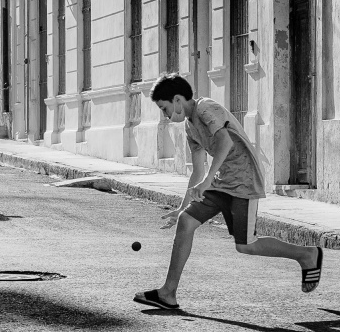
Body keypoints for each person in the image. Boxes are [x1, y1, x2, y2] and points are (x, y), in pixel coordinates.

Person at [134, 74, 323, 310]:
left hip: (244, 181)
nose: (165, 115)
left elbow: (225, 143)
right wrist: (182, 207)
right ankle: (167, 294)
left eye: (164, 108)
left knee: (246, 245)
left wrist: (207, 180)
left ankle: (306, 255)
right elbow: (197, 172)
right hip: (221, 183)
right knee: (185, 221)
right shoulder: (191, 128)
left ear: (178, 99)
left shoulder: (206, 108)